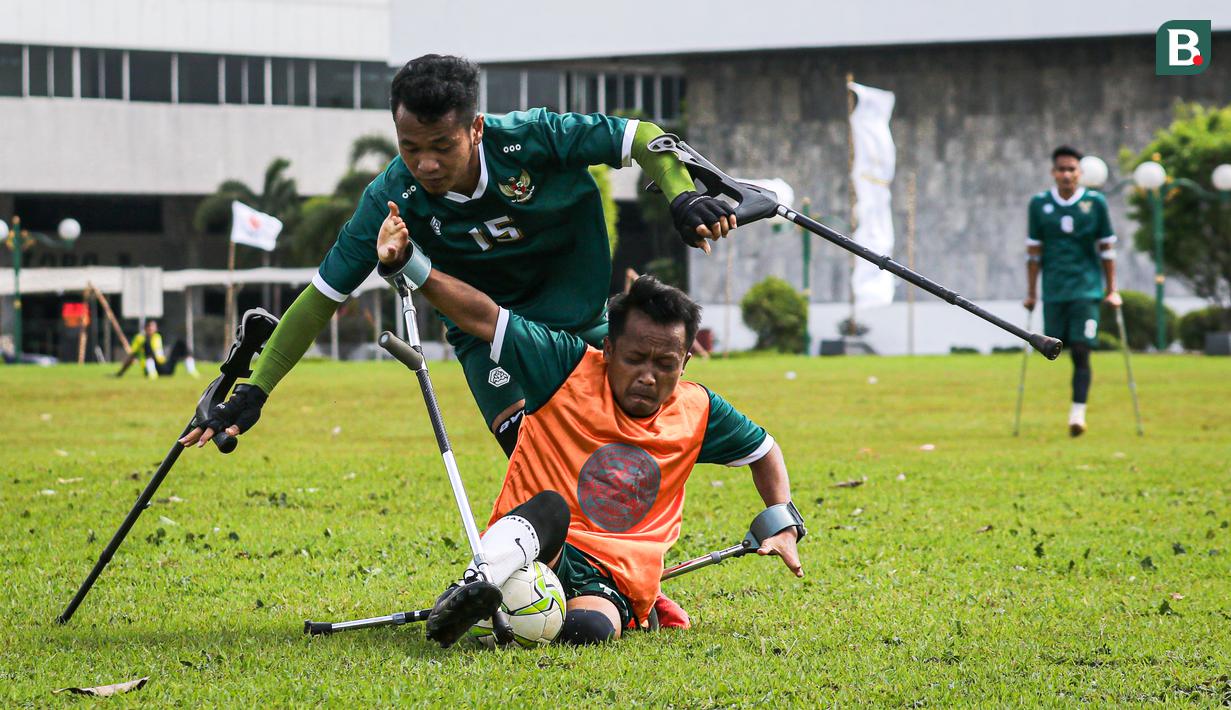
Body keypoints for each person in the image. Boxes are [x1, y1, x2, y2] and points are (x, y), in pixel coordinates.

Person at [181, 53, 737, 456]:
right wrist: (255, 390)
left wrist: (682, 195)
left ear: (475, 129)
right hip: (484, 336)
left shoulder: (533, 138)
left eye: (441, 146)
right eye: (410, 147)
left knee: (629, 442)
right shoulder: (390, 197)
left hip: (578, 320)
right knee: (532, 451)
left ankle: (624, 561)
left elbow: (641, 136)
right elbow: (322, 297)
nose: (425, 164)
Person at [375, 241, 804, 646]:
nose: (648, 376)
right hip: (536, 547)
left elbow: (764, 450)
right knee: (551, 506)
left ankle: (515, 621)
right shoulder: (565, 366)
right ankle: (474, 586)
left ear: (685, 361)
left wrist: (783, 521)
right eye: (635, 359)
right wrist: (411, 263)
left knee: (592, 630)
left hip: (613, 575)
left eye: (665, 364)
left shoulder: (699, 410)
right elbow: (485, 318)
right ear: (609, 348)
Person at [1023, 146, 1120, 436]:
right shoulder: (1039, 204)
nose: (1066, 174)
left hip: (1086, 289)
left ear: (1080, 173)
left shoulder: (1095, 203)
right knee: (1054, 347)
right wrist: (1031, 293)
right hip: (1054, 290)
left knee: (1081, 349)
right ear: (1053, 173)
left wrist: (1111, 290)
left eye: (1071, 169)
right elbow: (1034, 252)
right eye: (1061, 169)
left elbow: (1106, 249)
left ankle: (1078, 414)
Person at [114, 320, 197, 378]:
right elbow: (132, 356)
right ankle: (152, 373)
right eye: (149, 327)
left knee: (180, 343)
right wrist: (121, 372)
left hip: (163, 366)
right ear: (145, 328)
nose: (151, 329)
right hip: (149, 369)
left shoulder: (157, 336)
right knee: (146, 344)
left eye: (153, 327)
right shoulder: (139, 338)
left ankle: (191, 370)